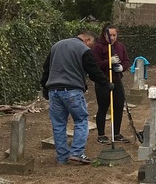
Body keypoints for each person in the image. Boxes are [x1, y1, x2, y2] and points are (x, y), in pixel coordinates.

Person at [40, 31, 114, 166]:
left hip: (54, 91)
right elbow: (93, 71)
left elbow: (46, 69)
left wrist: (45, 88)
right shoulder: (83, 49)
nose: (91, 48)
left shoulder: (56, 46)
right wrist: (106, 83)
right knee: (81, 120)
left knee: (58, 125)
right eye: (91, 45)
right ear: (87, 40)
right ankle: (77, 153)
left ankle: (62, 157)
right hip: (72, 91)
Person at [91, 24, 129, 144]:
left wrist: (122, 67)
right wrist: (108, 62)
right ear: (104, 34)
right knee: (103, 108)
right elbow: (95, 64)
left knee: (118, 107)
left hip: (117, 81)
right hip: (103, 82)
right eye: (109, 35)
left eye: (114, 35)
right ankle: (101, 135)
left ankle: (116, 133)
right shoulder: (98, 47)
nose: (112, 38)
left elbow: (126, 61)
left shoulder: (120, 46)